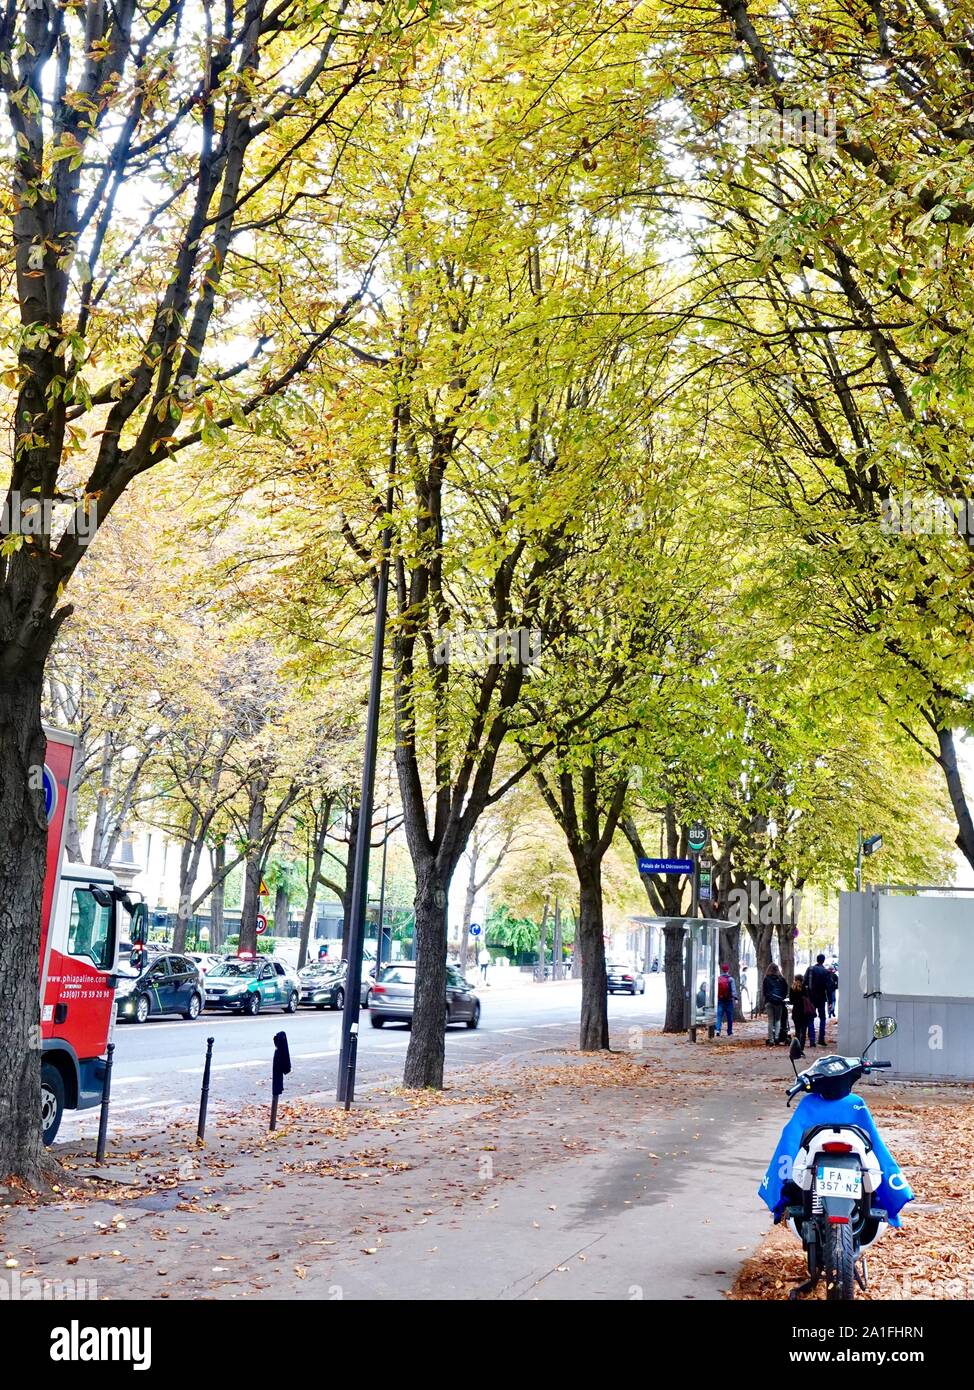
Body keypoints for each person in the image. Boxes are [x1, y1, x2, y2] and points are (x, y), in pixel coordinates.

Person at [804, 953, 832, 1047]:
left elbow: (804, 982)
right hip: (821, 998)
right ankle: (821, 1038)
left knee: (810, 1018)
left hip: (811, 998)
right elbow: (829, 988)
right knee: (822, 1018)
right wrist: (830, 1001)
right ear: (823, 961)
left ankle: (812, 1040)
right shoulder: (825, 972)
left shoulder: (810, 969)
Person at [763, 962, 788, 1046]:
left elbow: (764, 991)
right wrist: (782, 998)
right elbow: (785, 990)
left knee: (770, 1020)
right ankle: (777, 1037)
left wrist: (768, 998)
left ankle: (771, 1039)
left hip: (769, 1002)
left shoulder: (766, 979)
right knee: (778, 1020)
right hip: (779, 1002)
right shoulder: (781, 979)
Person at [789, 973, 816, 1050]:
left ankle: (796, 1047)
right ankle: (802, 1047)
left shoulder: (792, 988)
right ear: (802, 979)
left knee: (797, 1030)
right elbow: (810, 999)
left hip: (796, 1011)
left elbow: (791, 1000)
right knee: (804, 1030)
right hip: (805, 1011)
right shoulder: (806, 988)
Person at [715, 962, 738, 1037]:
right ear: (728, 970)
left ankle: (718, 1030)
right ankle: (729, 1031)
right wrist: (736, 998)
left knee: (719, 1015)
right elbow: (733, 990)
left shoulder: (718, 979)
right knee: (729, 1016)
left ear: (722, 970)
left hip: (720, 1000)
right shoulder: (730, 979)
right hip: (728, 1000)